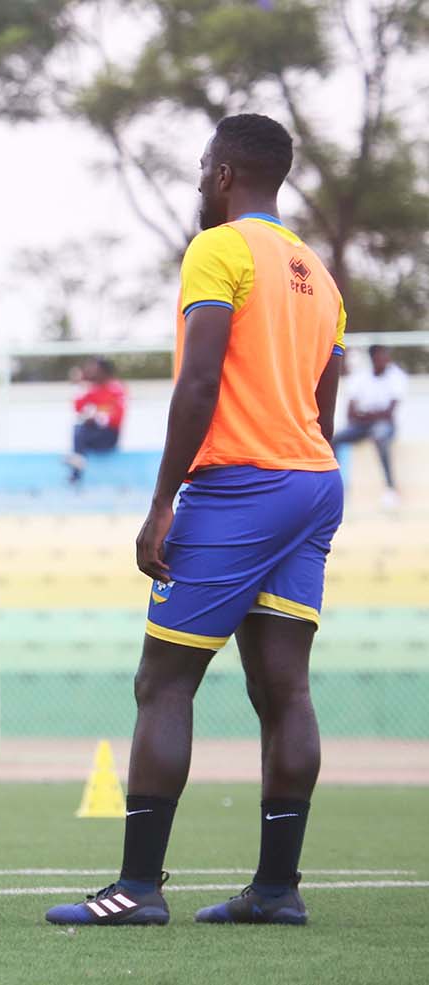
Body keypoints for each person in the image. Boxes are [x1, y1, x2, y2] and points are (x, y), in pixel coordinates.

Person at [46, 113, 346, 927]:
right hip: (314, 481)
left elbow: (199, 381)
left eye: (201, 166)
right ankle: (277, 891)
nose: (198, 180)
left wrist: (161, 499)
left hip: (241, 486)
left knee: (164, 680)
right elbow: (326, 399)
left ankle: (138, 888)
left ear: (221, 174)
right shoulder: (317, 271)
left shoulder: (217, 250)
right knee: (283, 686)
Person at [332, 345, 407, 506]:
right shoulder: (361, 378)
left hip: (383, 426)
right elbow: (350, 414)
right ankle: (334, 484)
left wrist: (366, 414)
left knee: (380, 436)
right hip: (362, 426)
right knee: (336, 439)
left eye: (386, 356)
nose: (385, 360)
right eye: (381, 357)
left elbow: (389, 414)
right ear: (373, 358)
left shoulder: (396, 376)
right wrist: (372, 415)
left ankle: (390, 488)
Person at [66, 357, 127, 483]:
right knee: (79, 429)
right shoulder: (92, 389)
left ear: (103, 371)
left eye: (94, 369)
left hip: (109, 435)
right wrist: (79, 384)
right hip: (92, 433)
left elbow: (117, 417)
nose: (91, 372)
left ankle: (76, 469)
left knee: (81, 433)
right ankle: (77, 466)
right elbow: (78, 407)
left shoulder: (116, 388)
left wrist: (97, 417)